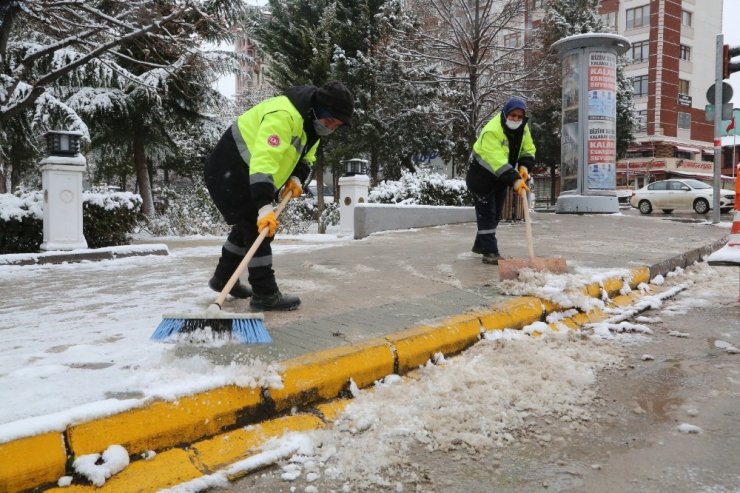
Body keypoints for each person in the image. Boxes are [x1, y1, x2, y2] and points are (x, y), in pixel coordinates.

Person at [204, 81, 354, 310]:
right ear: (318, 108)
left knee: (246, 226)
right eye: (330, 121)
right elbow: (265, 160)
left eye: (337, 125)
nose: (330, 128)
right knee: (259, 229)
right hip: (231, 169)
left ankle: (223, 278)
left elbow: (306, 157)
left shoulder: (310, 125)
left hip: (246, 172)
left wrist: (296, 179)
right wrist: (264, 206)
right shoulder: (284, 116)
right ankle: (265, 293)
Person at [465, 96, 536, 265]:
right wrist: (515, 180)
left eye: (519, 117)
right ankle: (490, 253)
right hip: (481, 176)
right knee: (487, 215)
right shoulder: (492, 130)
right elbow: (496, 161)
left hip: (501, 177)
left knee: (495, 214)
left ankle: (480, 245)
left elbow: (529, 148)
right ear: (505, 114)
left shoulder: (523, 128)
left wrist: (525, 167)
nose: (516, 120)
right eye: (513, 116)